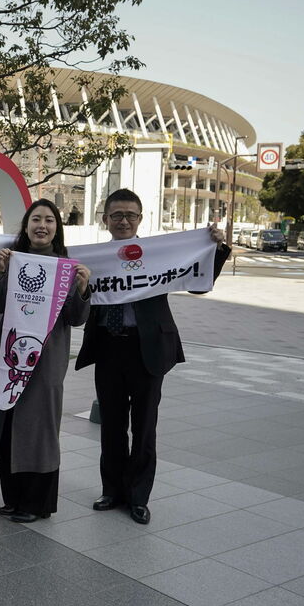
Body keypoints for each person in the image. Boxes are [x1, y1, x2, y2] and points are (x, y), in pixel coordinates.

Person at [75, 188, 230, 525]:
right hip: (108, 347)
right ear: (105, 219)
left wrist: (216, 250)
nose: (124, 221)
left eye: (130, 215)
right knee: (112, 426)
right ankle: (112, 491)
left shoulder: (158, 255)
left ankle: (138, 497)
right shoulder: (92, 257)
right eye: (117, 215)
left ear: (140, 219)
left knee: (145, 427)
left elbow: (198, 283)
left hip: (149, 348)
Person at [0, 199, 91, 522]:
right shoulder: (13, 261)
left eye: (49, 220)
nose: (42, 225)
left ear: (57, 228)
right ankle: (12, 498)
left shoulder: (66, 269)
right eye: (36, 219)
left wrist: (82, 289)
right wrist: (0, 273)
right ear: (26, 226)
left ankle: (36, 504)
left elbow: (76, 318)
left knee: (38, 432)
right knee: (7, 427)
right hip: (9, 359)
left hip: (45, 364)